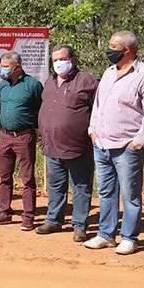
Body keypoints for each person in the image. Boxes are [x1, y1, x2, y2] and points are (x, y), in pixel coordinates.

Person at [84, 31, 144, 255]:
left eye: (112, 46)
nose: (109, 49)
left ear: (127, 49)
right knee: (106, 192)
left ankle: (129, 238)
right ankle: (106, 235)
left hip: (128, 148)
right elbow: (98, 105)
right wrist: (93, 132)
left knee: (130, 195)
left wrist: (138, 142)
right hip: (102, 145)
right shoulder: (109, 72)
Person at [35, 45, 99, 242]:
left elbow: (100, 109)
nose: (58, 63)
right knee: (55, 185)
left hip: (78, 147)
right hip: (52, 146)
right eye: (55, 60)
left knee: (80, 187)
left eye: (62, 59)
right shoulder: (49, 81)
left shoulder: (88, 81)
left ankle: (79, 226)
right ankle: (54, 220)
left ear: (73, 59)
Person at [0, 51, 43, 231]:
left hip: (24, 137)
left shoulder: (33, 85)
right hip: (5, 137)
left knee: (27, 179)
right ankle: (4, 212)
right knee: (4, 177)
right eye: (1, 66)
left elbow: (40, 110)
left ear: (17, 67)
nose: (2, 70)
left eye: (6, 66)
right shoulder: (3, 84)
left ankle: (28, 216)